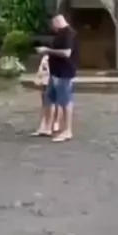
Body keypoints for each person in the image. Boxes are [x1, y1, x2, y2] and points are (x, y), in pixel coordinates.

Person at [36, 14, 77, 143]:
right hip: (55, 73)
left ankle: (67, 130)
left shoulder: (69, 33)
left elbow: (66, 52)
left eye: (52, 24)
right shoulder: (60, 34)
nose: (52, 28)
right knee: (49, 98)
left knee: (65, 101)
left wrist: (47, 50)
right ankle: (47, 127)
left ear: (56, 22)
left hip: (64, 73)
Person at [32, 53, 60, 136]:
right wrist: (39, 78)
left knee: (55, 102)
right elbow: (42, 69)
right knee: (45, 102)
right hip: (45, 79)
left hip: (54, 79)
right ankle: (44, 125)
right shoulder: (46, 57)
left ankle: (54, 122)